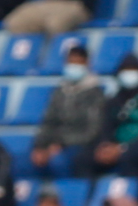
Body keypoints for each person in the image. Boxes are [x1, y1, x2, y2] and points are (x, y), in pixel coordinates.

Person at [30, 44, 105, 177]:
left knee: (59, 161)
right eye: (71, 63)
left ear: (87, 64)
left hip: (81, 146)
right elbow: (48, 122)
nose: (73, 67)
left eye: (78, 63)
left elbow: (92, 131)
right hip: (55, 145)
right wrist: (39, 146)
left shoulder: (95, 94)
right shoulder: (60, 91)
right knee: (26, 161)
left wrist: (62, 143)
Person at [87, 56, 138, 177]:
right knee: (85, 158)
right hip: (114, 146)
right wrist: (105, 146)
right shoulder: (114, 100)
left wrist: (123, 149)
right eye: (126, 70)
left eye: (133, 69)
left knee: (132, 158)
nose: (129, 74)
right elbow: (106, 127)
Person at [4, 0, 96, 37]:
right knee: (16, 21)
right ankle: (29, 56)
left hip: (76, 4)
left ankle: (56, 58)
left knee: (57, 23)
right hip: (48, 2)